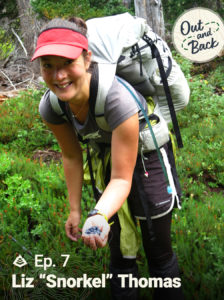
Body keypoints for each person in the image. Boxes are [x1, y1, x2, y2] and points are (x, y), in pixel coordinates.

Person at [31, 16, 186, 300]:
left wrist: (99, 214)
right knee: (119, 257)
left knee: (158, 253)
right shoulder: (51, 106)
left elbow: (121, 178)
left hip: (147, 158)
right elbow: (71, 156)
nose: (58, 76)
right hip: (106, 157)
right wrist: (77, 211)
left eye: (67, 62)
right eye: (48, 66)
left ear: (87, 58)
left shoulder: (117, 100)